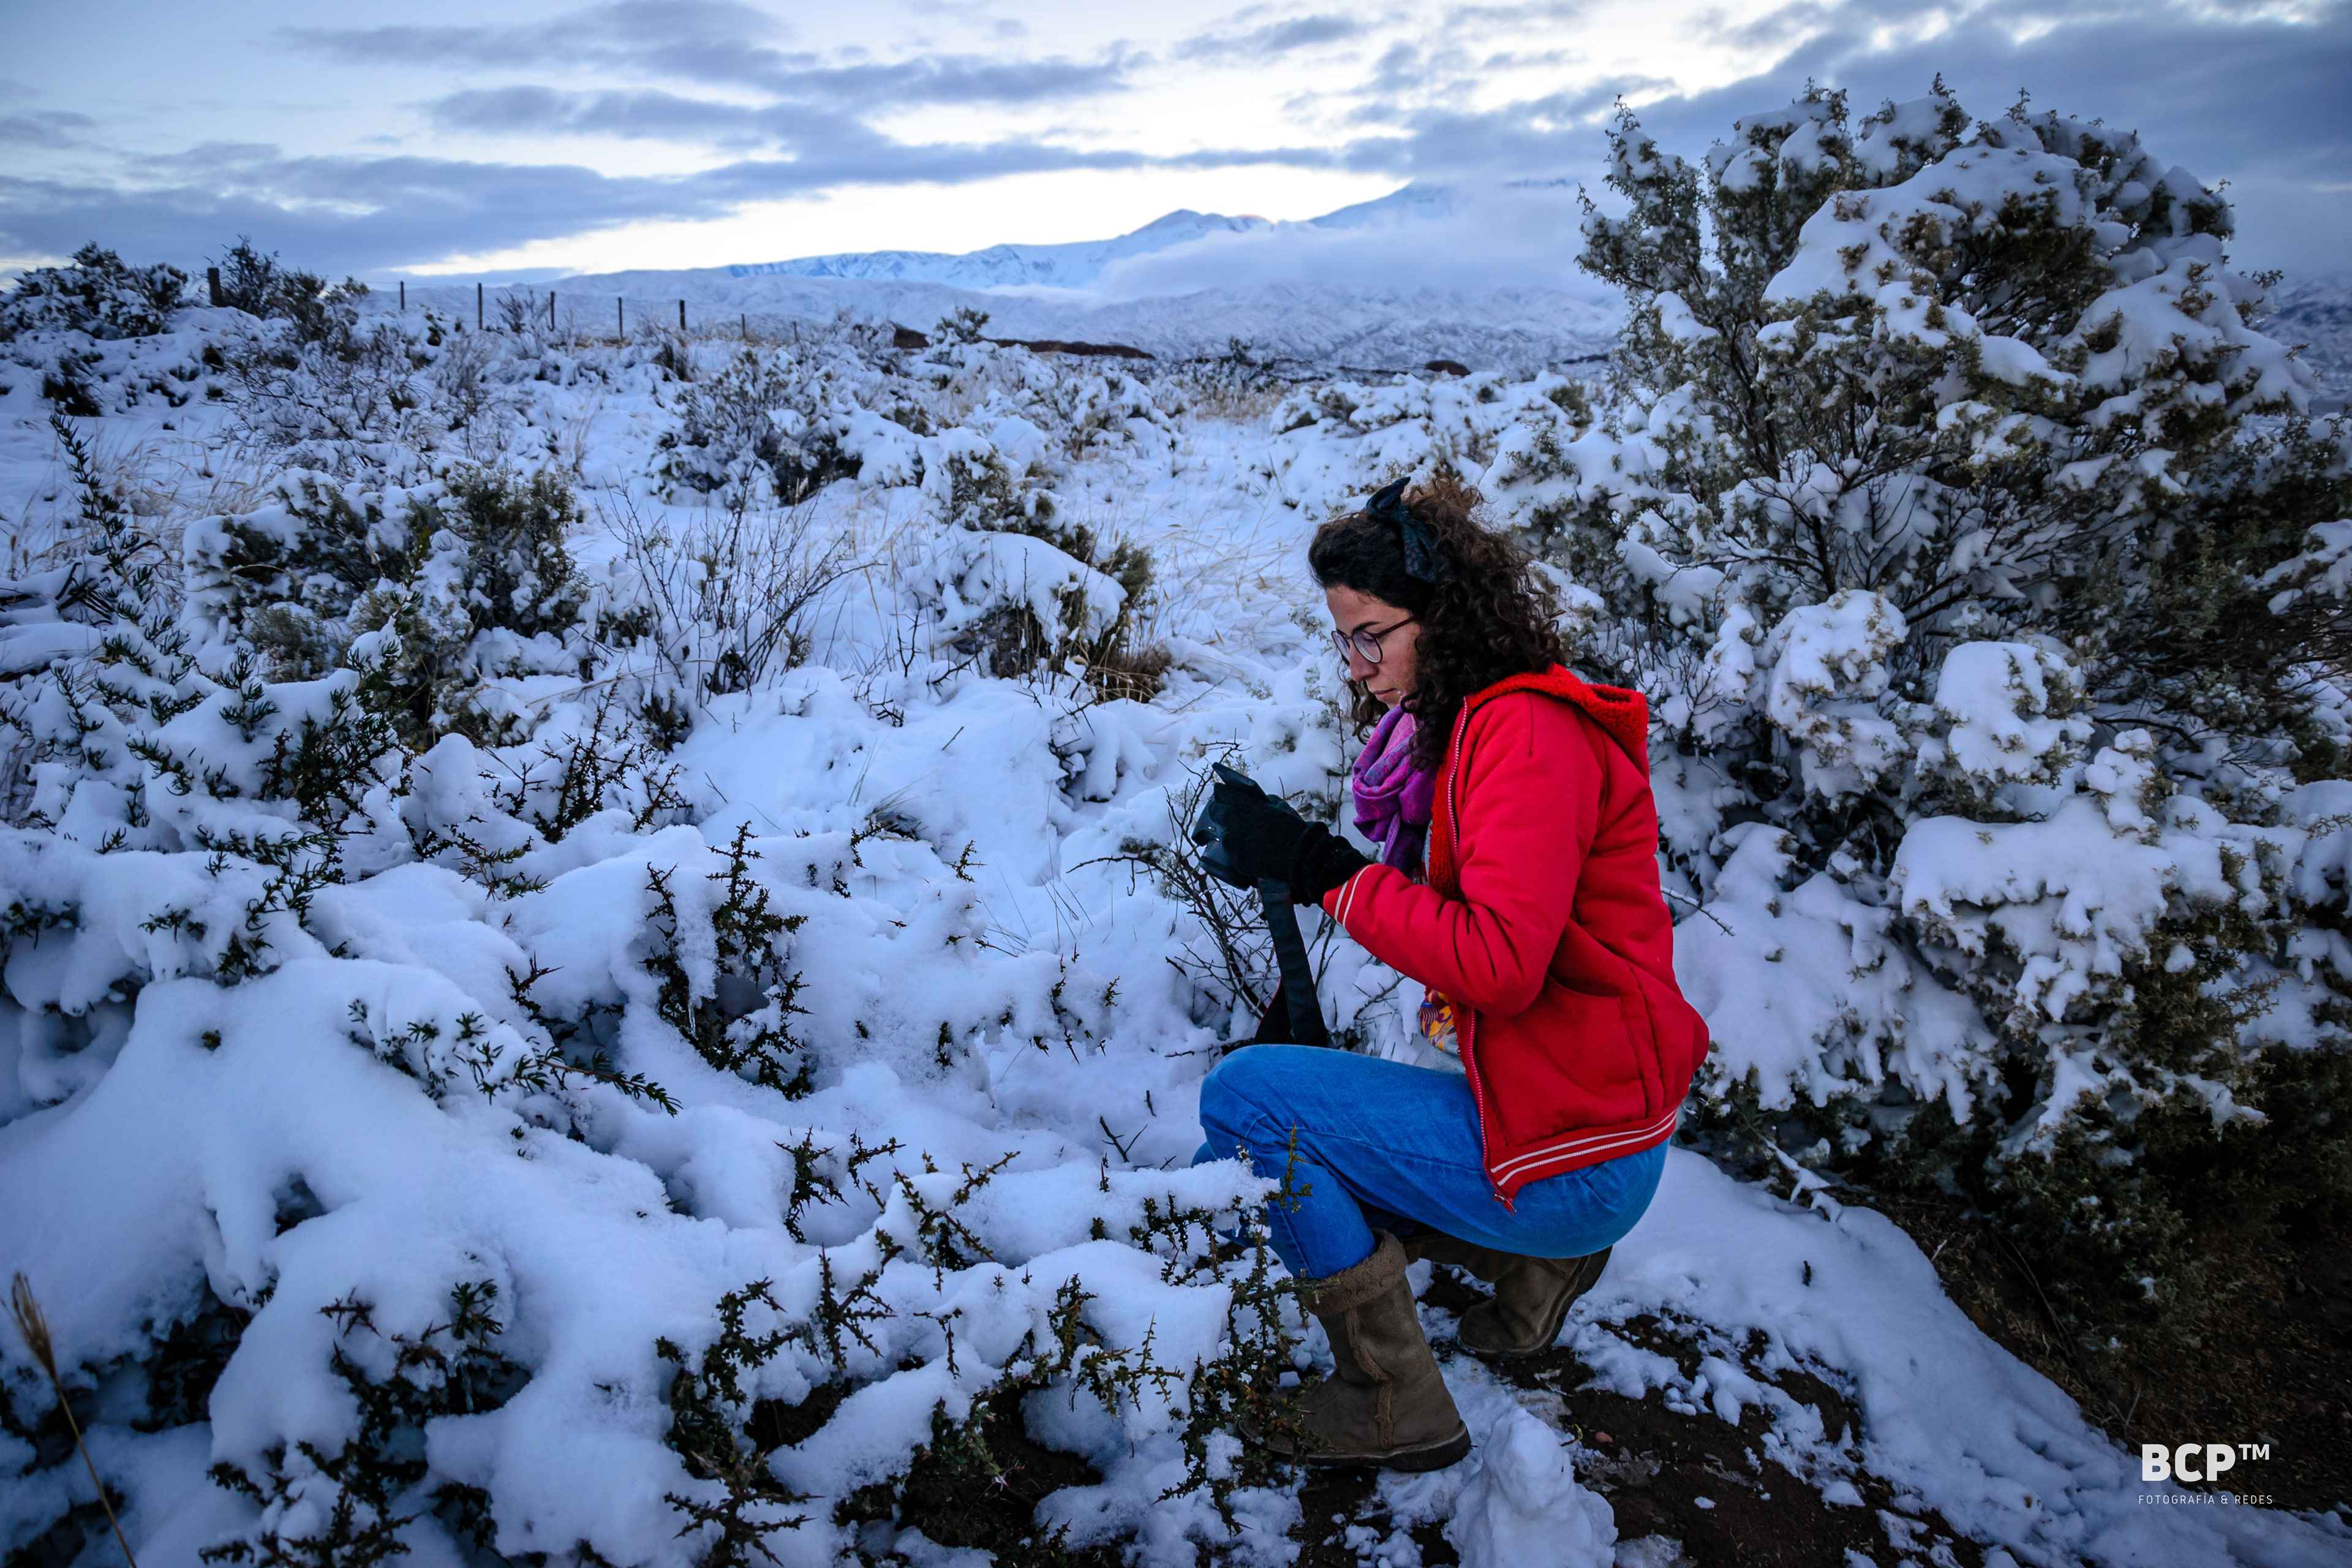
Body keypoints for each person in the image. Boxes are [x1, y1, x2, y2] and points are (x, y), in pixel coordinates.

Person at [1190, 476, 1709, 1471]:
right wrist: (1309, 870)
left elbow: (1499, 967)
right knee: (1318, 1105)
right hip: (1581, 1112)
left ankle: (1392, 1403)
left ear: (1443, 616)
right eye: (1343, 640)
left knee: (1250, 1104)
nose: (1356, 667)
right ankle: (1532, 1268)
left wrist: (1321, 871)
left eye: (1372, 636)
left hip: (1580, 1148)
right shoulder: (1481, 720)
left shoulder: (1524, 734)